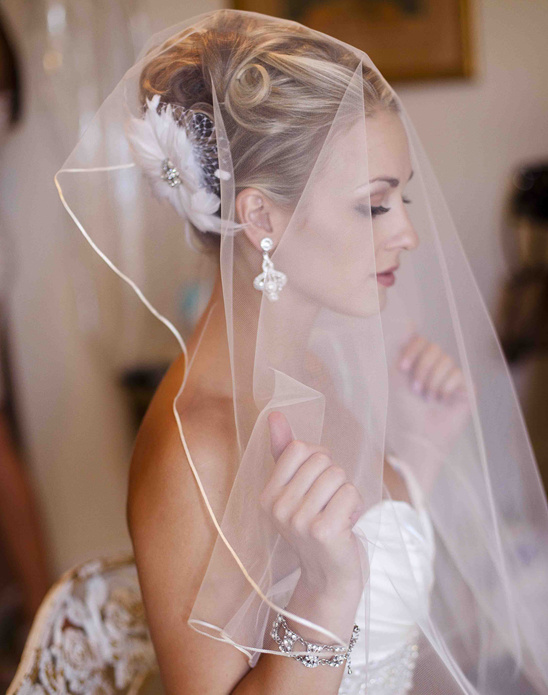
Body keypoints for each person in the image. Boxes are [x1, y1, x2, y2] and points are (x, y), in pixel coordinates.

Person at [55, 9, 548, 694]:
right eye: (374, 206)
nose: (407, 233)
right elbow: (337, 580)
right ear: (260, 217)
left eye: (402, 199)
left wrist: (421, 452)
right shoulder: (192, 449)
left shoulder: (307, 369)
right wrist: (324, 599)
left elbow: (364, 543)